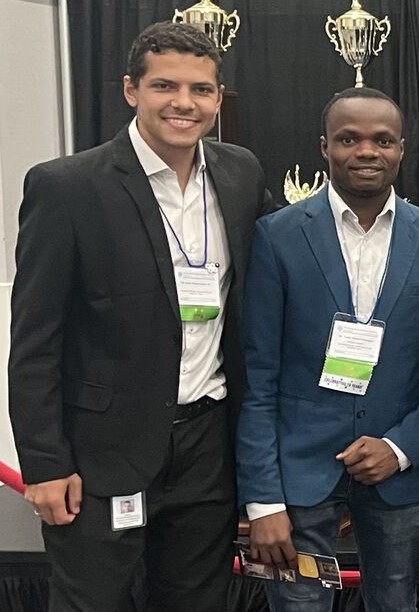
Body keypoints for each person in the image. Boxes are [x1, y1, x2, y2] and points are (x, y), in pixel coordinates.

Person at [8, 23, 275, 610]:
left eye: (201, 90)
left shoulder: (241, 174)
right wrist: (45, 464)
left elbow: (293, 252)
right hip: (99, 454)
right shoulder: (66, 187)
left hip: (208, 446)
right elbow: (34, 343)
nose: (184, 103)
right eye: (165, 86)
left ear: (217, 97)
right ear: (131, 90)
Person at [236, 86, 419, 611]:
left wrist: (402, 447)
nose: (367, 151)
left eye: (382, 140)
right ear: (324, 147)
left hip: (396, 473)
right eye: (349, 139)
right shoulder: (277, 237)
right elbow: (259, 376)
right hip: (297, 476)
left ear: (402, 149)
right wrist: (263, 498)